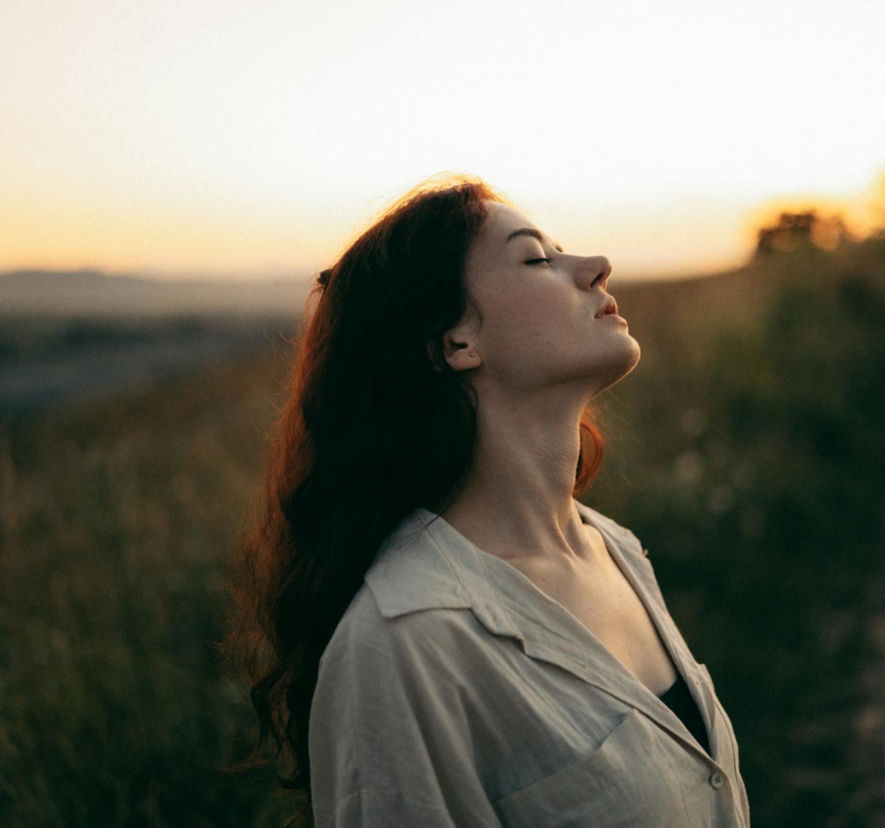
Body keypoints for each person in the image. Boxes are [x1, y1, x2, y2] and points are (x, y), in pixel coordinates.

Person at [234, 176, 749, 826]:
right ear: (455, 342)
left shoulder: (613, 549)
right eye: (537, 258)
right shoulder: (406, 643)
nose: (595, 267)